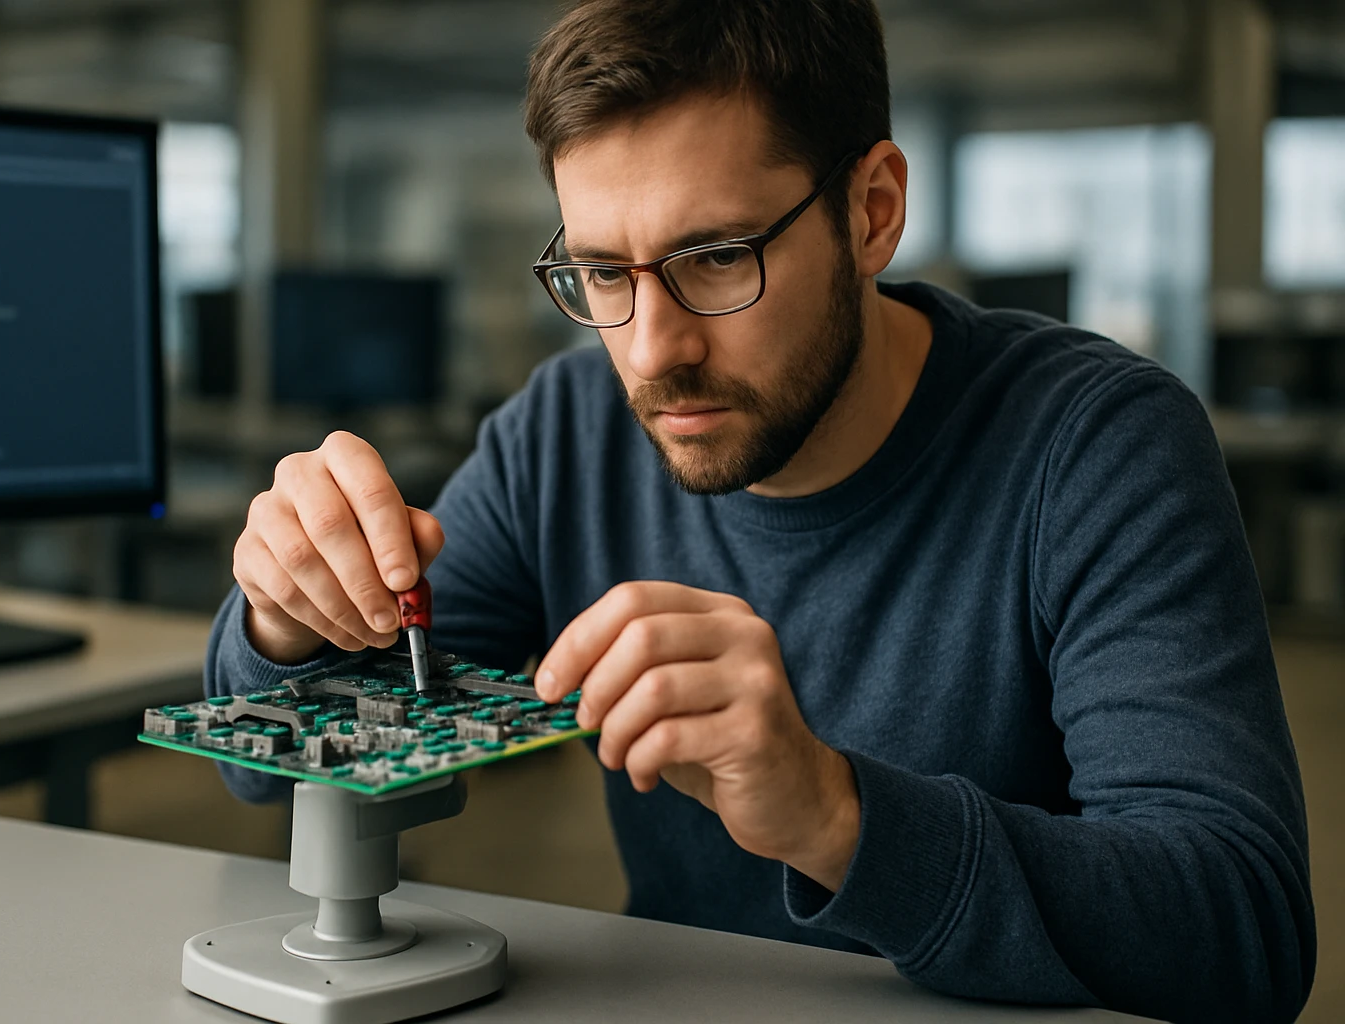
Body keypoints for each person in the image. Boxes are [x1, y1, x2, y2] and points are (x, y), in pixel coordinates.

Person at [204, 1, 1315, 1020]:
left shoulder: (1099, 447)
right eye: (603, 273)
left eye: (716, 257)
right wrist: (289, 622)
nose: (653, 351)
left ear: (872, 213)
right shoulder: (567, 432)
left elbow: (1243, 933)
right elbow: (274, 766)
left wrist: (836, 816)